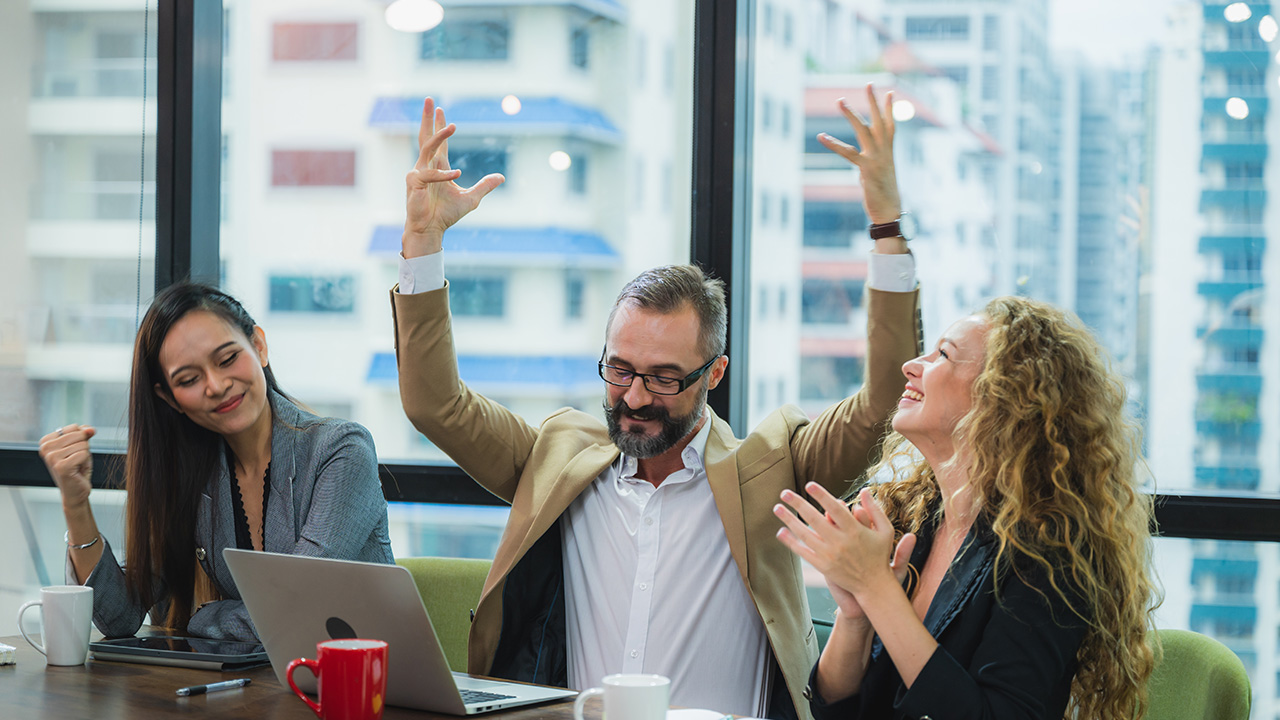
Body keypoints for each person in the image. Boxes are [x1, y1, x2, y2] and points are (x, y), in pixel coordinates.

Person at [387, 87, 920, 719]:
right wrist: (423, 244)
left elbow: (885, 401)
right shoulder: (556, 458)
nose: (635, 397)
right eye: (620, 369)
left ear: (715, 371)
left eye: (665, 378)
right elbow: (434, 405)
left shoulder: (770, 468)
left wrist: (886, 226)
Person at [773, 294, 1159, 719]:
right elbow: (835, 712)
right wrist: (856, 615)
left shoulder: (1052, 553)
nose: (912, 365)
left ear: (1002, 397)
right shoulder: (913, 516)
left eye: (943, 354)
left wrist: (877, 589)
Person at [38, 283, 394, 642]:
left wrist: (206, 618)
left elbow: (297, 606)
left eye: (227, 359)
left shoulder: (341, 449)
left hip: (369, 686)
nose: (216, 385)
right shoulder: (194, 475)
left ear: (258, 345)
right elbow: (119, 618)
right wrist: (75, 502)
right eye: (189, 379)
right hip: (271, 687)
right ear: (170, 398)